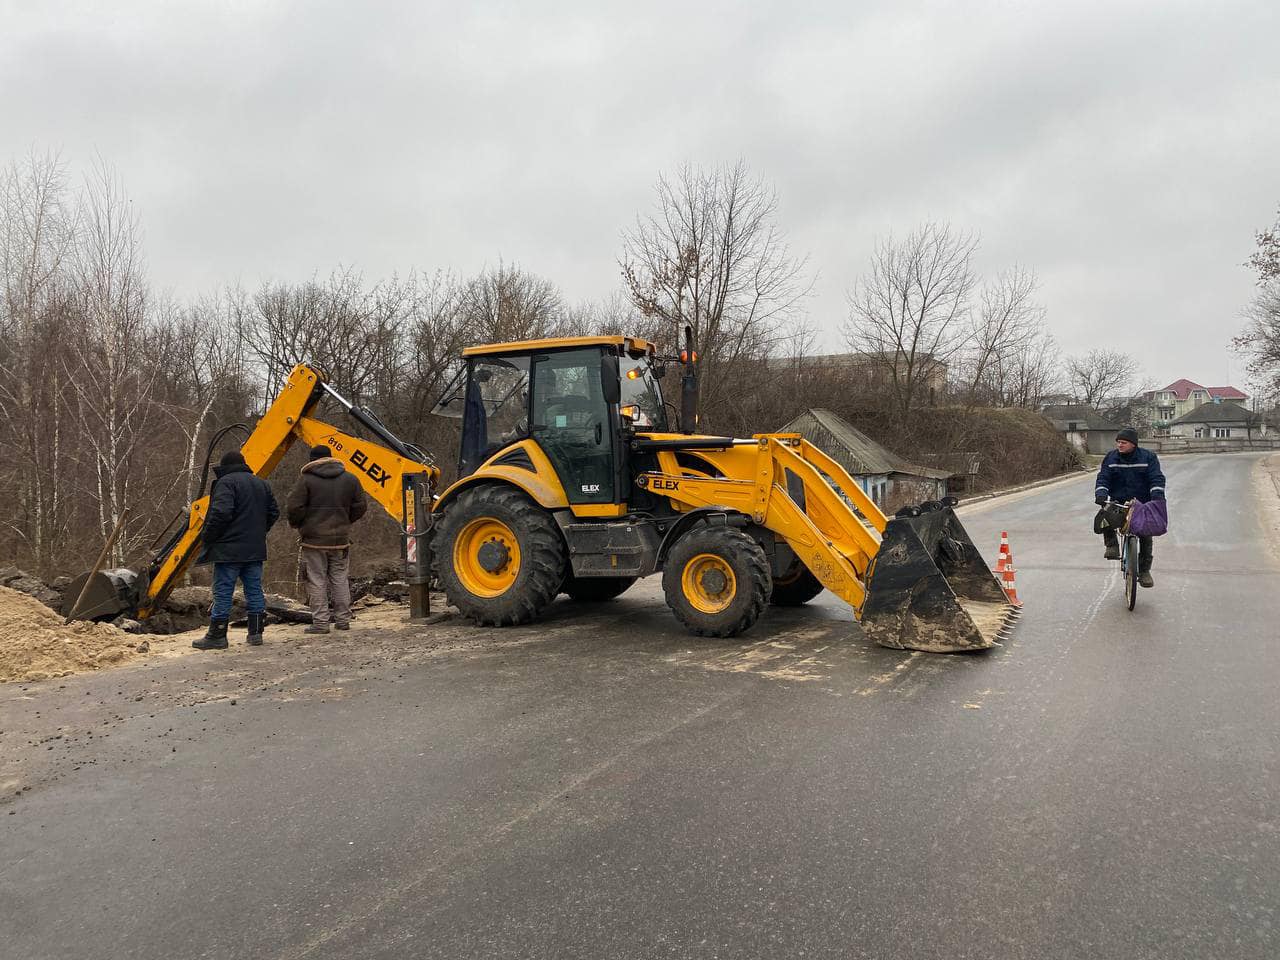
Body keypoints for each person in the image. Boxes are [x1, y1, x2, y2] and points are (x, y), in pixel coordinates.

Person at [194, 450, 280, 650]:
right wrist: (259, 532)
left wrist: (208, 536)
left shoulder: (226, 483)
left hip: (228, 550)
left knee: (223, 591)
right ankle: (256, 633)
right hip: (254, 548)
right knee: (254, 589)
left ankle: (217, 636)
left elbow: (221, 513)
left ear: (225, 467)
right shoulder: (261, 484)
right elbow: (274, 512)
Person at [287, 444, 368, 634]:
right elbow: (361, 506)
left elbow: (294, 507)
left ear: (312, 460)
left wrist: (300, 525)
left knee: (316, 580)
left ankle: (321, 623)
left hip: (313, 540)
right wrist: (346, 520)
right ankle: (343, 620)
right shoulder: (350, 479)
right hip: (340, 539)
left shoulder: (306, 480)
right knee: (340, 579)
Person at [1094, 427, 1166, 588]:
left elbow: (1156, 478)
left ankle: (1145, 571)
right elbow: (1103, 478)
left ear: (1133, 444)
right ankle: (1112, 545)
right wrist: (1101, 494)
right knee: (1104, 515)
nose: (1120, 445)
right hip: (1118, 500)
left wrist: (1157, 495)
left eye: (1123, 442)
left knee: (1146, 536)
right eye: (1118, 442)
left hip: (1142, 503)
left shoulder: (1148, 457)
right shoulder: (1111, 458)